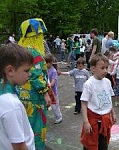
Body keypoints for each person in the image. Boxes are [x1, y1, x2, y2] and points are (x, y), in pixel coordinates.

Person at [18, 18, 51, 150]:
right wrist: (45, 94)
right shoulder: (34, 52)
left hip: (20, 96)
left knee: (22, 127)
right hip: (35, 99)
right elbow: (36, 76)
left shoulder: (18, 49)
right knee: (36, 129)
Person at [0, 43, 35, 150]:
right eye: (26, 70)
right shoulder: (11, 105)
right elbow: (19, 146)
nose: (29, 74)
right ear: (10, 70)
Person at [80, 53, 116, 150]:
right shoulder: (89, 84)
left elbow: (109, 99)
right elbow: (84, 104)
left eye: (106, 68)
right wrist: (86, 122)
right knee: (90, 145)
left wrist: (113, 113)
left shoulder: (107, 82)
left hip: (105, 120)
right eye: (102, 68)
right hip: (93, 121)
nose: (105, 71)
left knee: (103, 145)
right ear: (93, 68)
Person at [45, 54, 62, 124]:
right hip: (46, 92)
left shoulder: (53, 71)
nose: (45, 64)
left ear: (51, 62)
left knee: (55, 105)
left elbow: (53, 82)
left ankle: (59, 117)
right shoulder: (46, 70)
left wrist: (47, 85)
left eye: (47, 62)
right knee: (46, 104)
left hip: (53, 92)